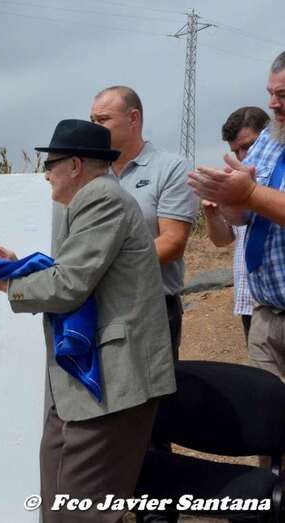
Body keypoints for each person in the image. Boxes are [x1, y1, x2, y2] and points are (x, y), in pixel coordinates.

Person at [0, 120, 176, 522]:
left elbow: (69, 284)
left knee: (80, 509)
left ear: (74, 165)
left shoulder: (101, 199)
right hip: (88, 384)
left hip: (110, 383)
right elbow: (80, 272)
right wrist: (13, 269)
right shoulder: (95, 199)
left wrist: (1, 283)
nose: (45, 173)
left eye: (51, 164)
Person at [189, 51, 285, 382]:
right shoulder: (270, 142)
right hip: (266, 316)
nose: (273, 104)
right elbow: (242, 221)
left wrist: (247, 194)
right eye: (270, 94)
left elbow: (253, 197)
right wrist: (225, 200)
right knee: (269, 420)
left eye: (282, 95)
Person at [90, 86, 198, 360]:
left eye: (103, 120)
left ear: (133, 118)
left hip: (151, 308)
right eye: (92, 121)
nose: (95, 127)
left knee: (152, 401)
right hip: (97, 306)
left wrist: (100, 266)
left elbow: (172, 243)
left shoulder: (170, 168)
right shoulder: (91, 174)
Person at [203, 107, 269, 341]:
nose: (242, 156)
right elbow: (223, 240)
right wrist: (211, 214)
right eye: (235, 151)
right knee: (262, 378)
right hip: (252, 303)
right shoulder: (232, 183)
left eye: (247, 146)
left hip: (277, 299)